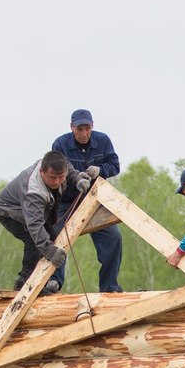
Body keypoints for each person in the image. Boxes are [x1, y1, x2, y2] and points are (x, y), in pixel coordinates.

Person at [50, 108, 124, 293]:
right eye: (79, 129)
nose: (83, 134)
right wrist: (75, 178)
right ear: (71, 127)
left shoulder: (103, 141)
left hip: (95, 200)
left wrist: (101, 170)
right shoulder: (60, 145)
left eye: (87, 129)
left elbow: (115, 166)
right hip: (67, 201)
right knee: (55, 236)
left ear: (92, 126)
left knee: (113, 238)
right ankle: (53, 282)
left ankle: (109, 287)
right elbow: (57, 171)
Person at [0, 151, 88, 292]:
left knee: (53, 237)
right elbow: (35, 226)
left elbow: (67, 165)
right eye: (52, 178)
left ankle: (45, 282)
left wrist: (77, 180)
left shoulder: (57, 164)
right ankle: (24, 283)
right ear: (42, 172)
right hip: (9, 211)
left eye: (61, 177)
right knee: (35, 241)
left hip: (33, 212)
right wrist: (50, 252)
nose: (57, 182)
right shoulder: (33, 192)